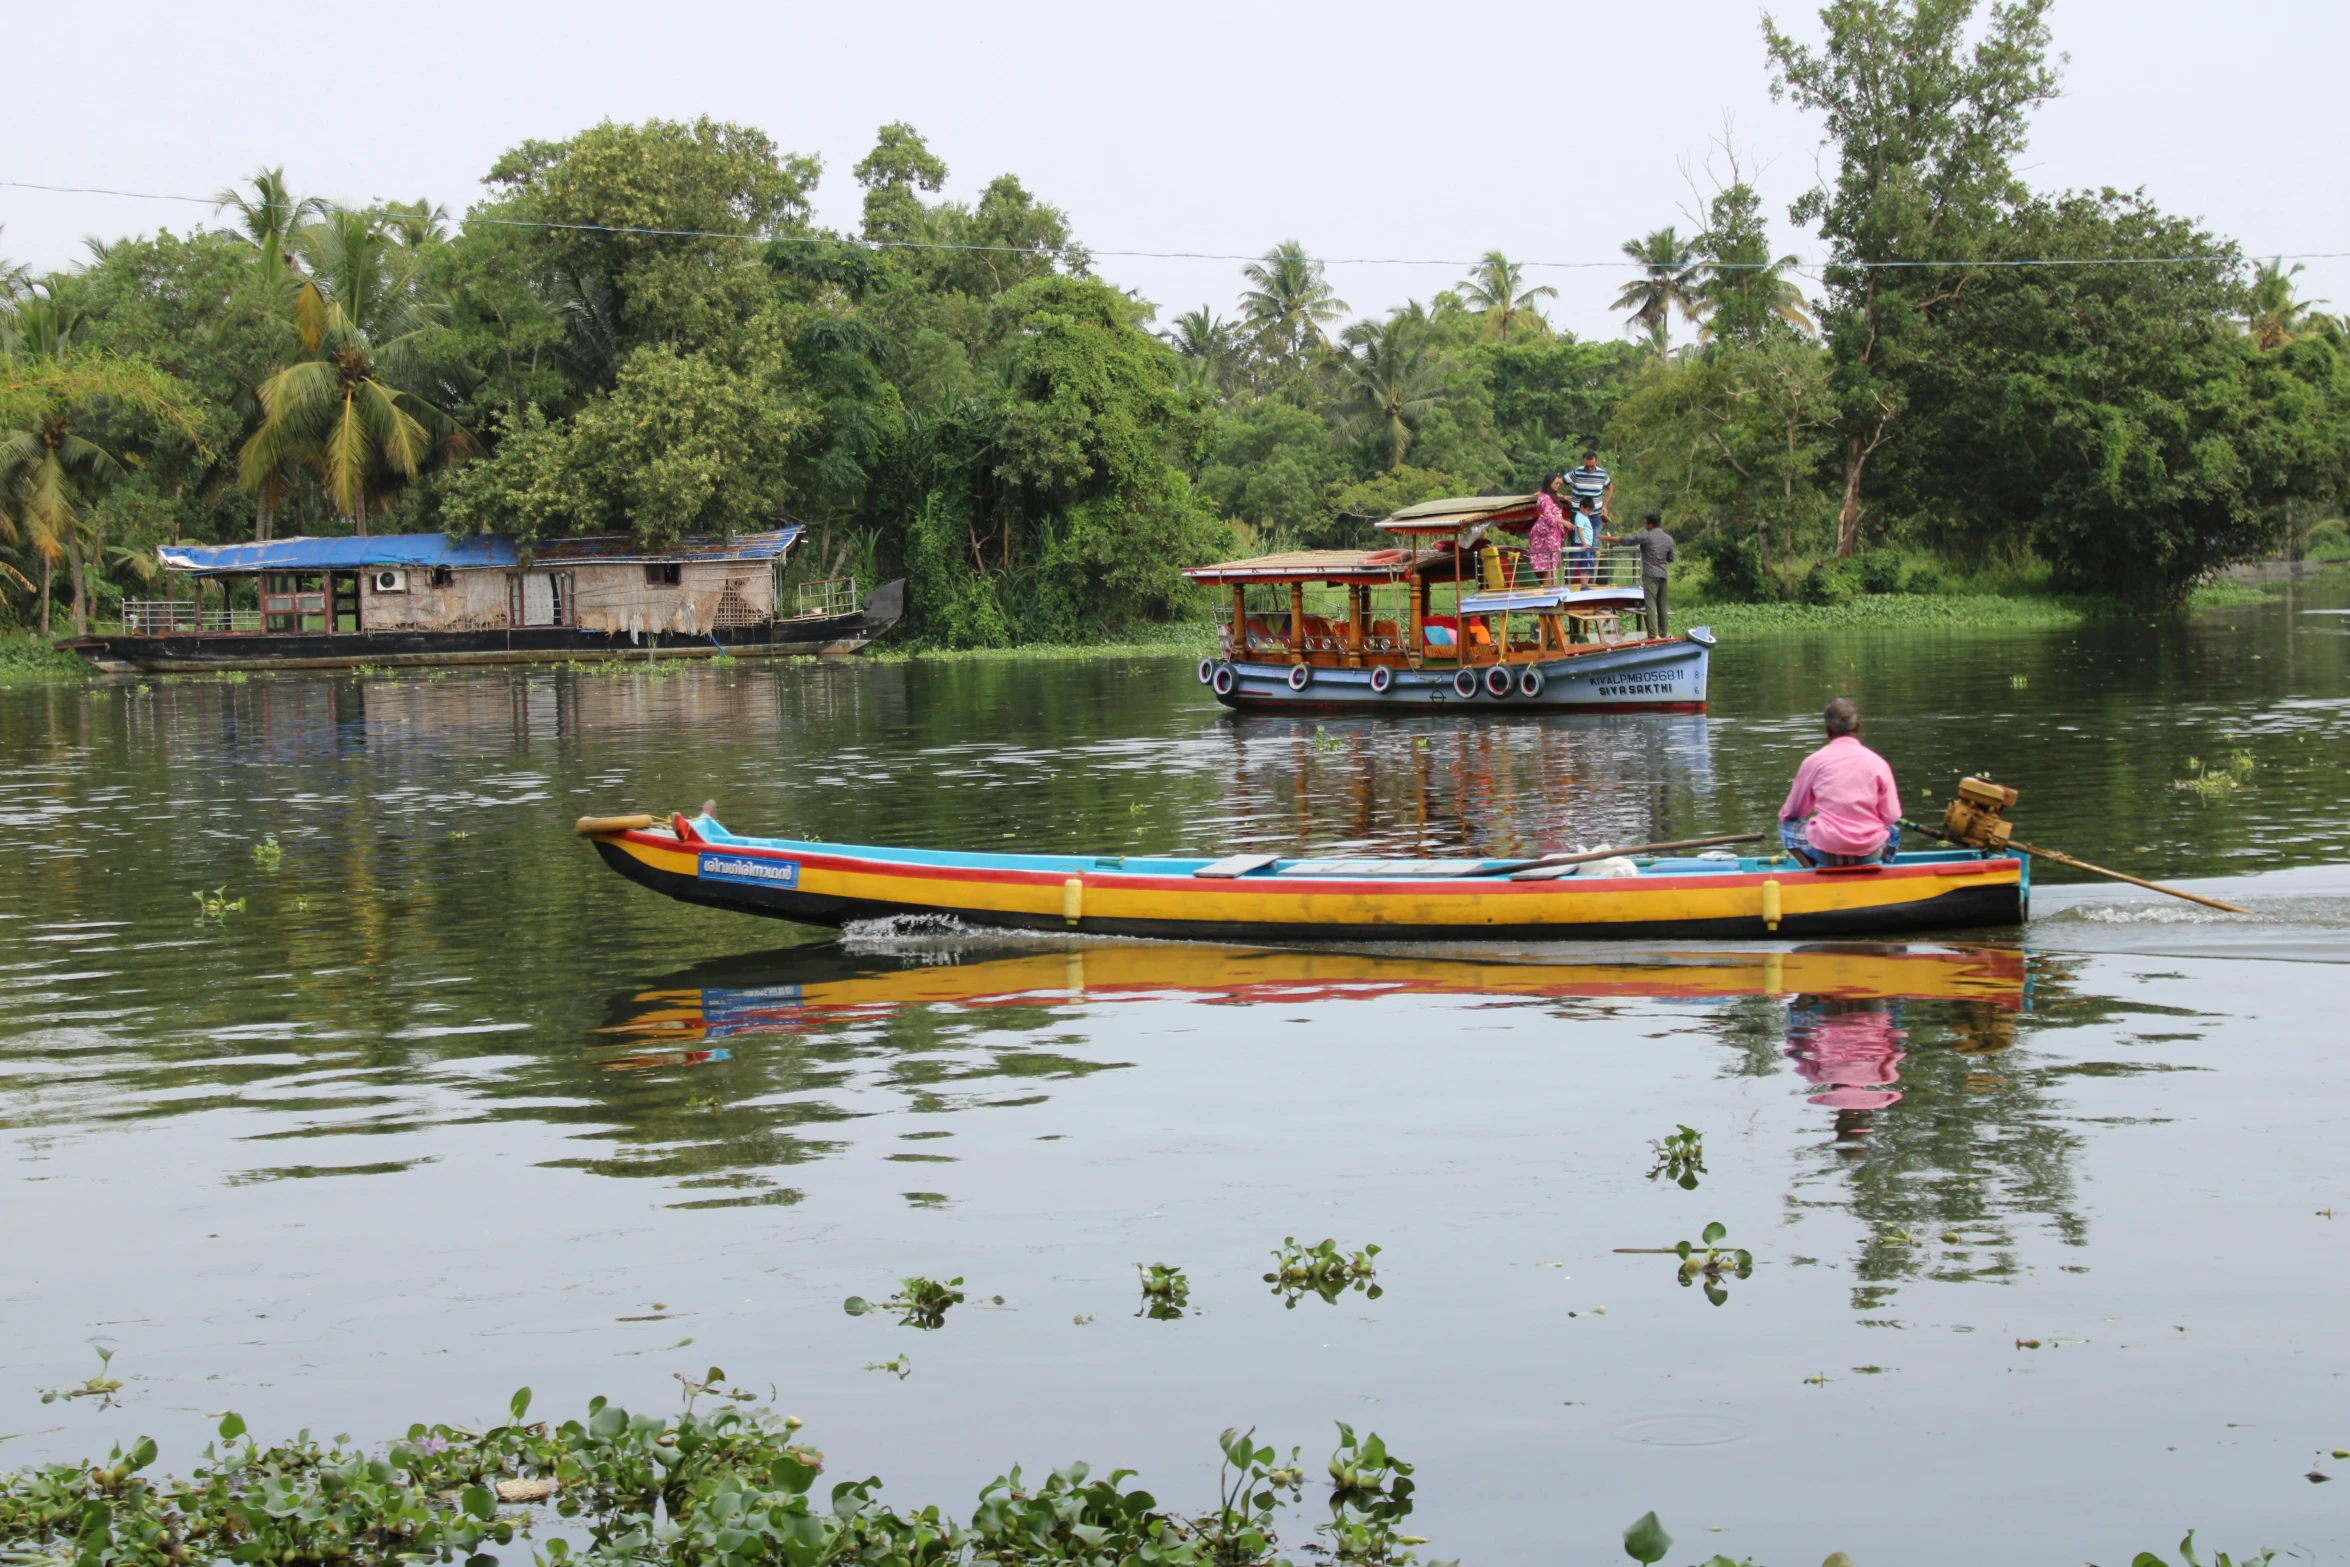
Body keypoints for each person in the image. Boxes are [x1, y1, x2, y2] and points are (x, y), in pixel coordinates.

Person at [1778, 698, 1902, 866]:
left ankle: (1810, 873)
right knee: (1893, 831)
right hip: (1868, 853)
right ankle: (1879, 872)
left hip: (1826, 852)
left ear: (1828, 730)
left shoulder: (1814, 762)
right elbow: (1891, 815)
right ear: (1857, 726)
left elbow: (1793, 812)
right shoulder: (1878, 762)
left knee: (1785, 825)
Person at [1630, 511, 1673, 635]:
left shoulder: (1647, 536)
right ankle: (1663, 633)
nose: (1644, 525)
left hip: (1650, 574)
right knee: (1662, 605)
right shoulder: (1668, 538)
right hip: (1663, 574)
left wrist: (1609, 538)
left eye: (1645, 523)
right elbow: (1671, 558)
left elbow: (1629, 540)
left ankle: (1652, 634)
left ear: (1650, 524)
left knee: (1650, 604)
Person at [1528, 476, 1568, 583]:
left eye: (1559, 483)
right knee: (1550, 559)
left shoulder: (1546, 495)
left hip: (1553, 531)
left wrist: (1564, 497)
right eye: (1556, 483)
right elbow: (1547, 515)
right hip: (1547, 531)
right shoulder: (1545, 498)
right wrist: (1563, 522)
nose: (1558, 485)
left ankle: (1552, 585)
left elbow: (1553, 496)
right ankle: (1551, 587)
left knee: (1552, 560)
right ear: (1549, 483)